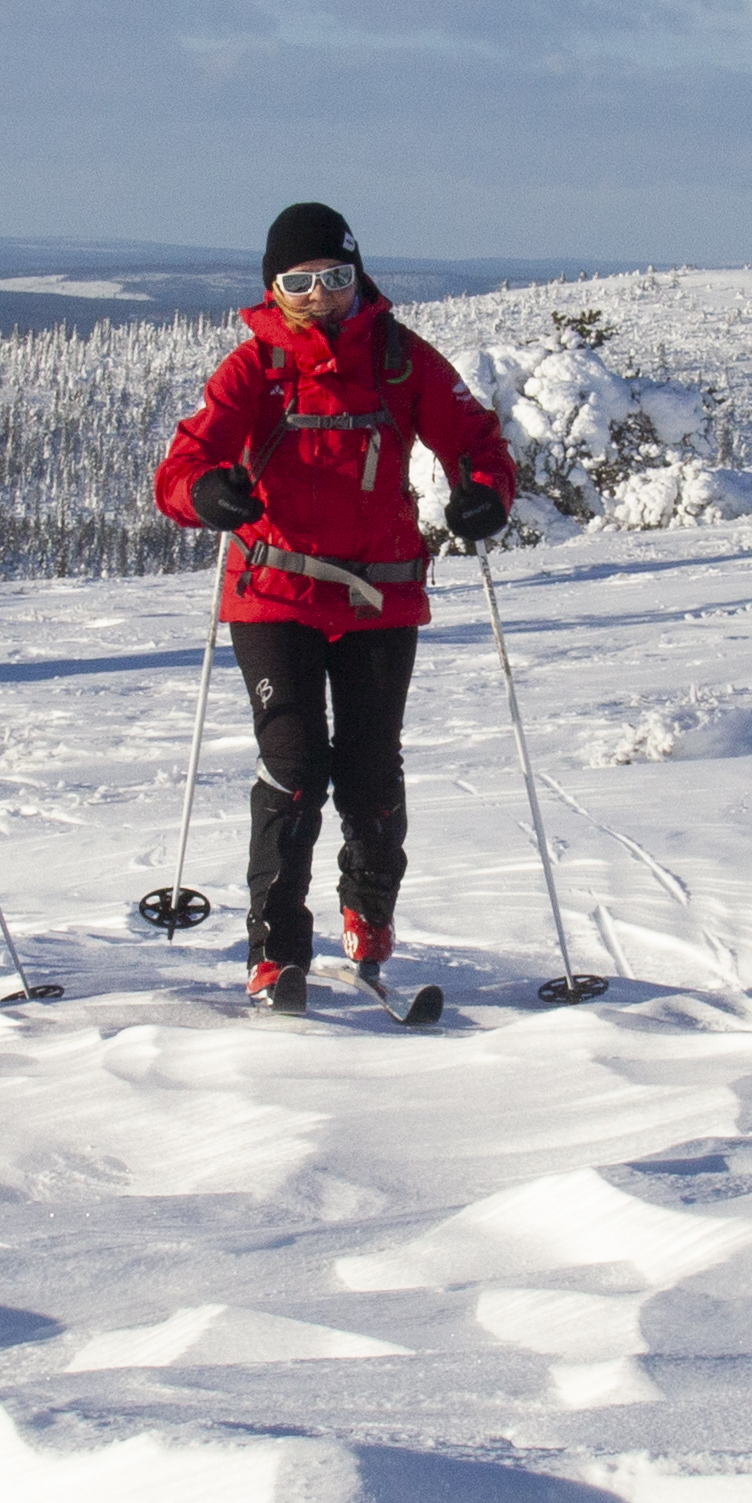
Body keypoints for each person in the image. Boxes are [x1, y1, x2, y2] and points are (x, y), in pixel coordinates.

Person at [151, 201, 525, 1011]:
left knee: (368, 765)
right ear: (272, 288)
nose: (319, 296)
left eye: (335, 278)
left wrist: (486, 492)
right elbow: (181, 467)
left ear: (358, 275)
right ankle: (274, 949)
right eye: (299, 282)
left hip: (379, 597)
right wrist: (206, 491)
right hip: (274, 593)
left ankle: (368, 916)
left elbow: (475, 439)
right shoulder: (253, 368)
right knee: (293, 768)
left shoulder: (400, 360)